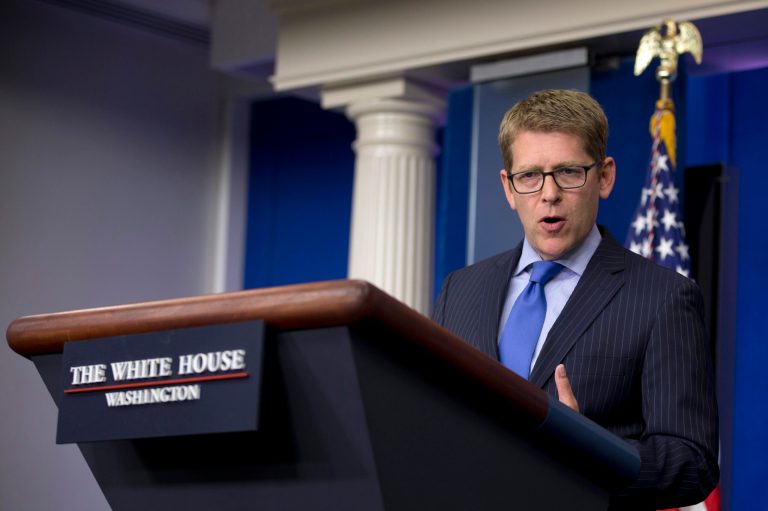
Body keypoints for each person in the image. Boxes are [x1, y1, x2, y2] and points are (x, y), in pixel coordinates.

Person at [432, 89, 719, 509]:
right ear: (508, 188)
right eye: (529, 176)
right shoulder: (460, 290)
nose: (548, 193)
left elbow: (693, 463)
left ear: (604, 177)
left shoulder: (664, 298)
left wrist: (594, 452)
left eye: (568, 172)